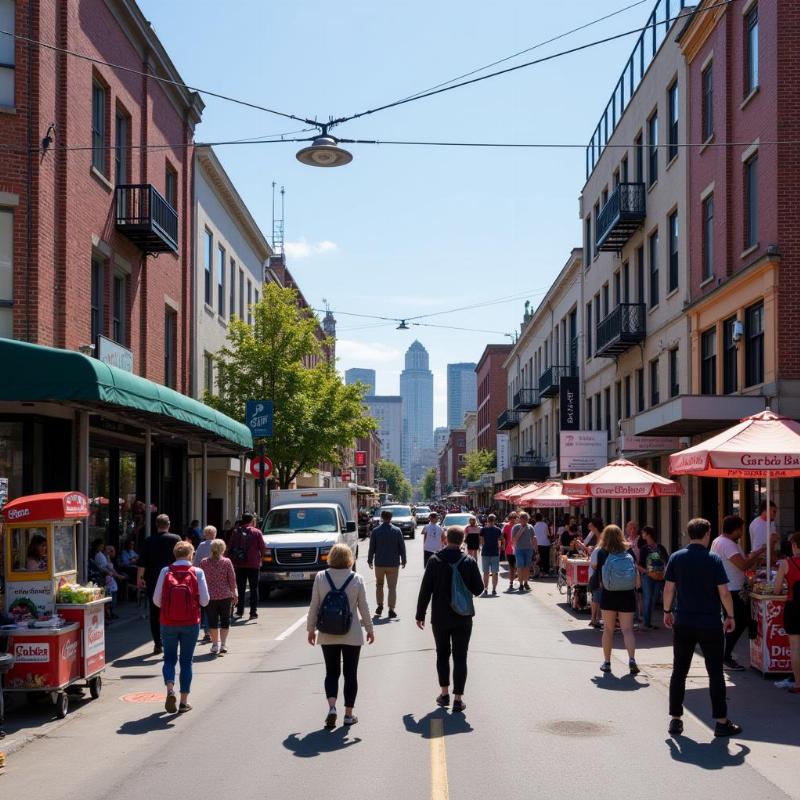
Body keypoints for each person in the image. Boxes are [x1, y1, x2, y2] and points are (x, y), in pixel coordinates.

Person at [663, 518, 741, 738]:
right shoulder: (713, 559)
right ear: (707, 534)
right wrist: (731, 616)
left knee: (679, 671)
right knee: (715, 673)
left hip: (684, 622)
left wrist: (668, 612)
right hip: (709, 624)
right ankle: (721, 721)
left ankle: (676, 719)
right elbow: (724, 593)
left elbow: (669, 589)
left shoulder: (676, 558)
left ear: (689, 534)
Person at [416, 526, 485, 712]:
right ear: (462, 540)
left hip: (440, 617)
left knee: (442, 654)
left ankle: (444, 693)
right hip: (463, 617)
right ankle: (458, 699)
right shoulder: (469, 561)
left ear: (444, 539)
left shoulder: (434, 560)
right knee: (460, 656)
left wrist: (420, 614)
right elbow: (479, 589)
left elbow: (425, 590)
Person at [307, 543, 374, 728]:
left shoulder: (321, 577)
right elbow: (364, 607)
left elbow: (314, 605)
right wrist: (369, 629)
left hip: (327, 633)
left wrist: (310, 629)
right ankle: (349, 714)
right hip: (351, 633)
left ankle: (332, 708)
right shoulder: (356, 578)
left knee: (331, 672)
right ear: (349, 559)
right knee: (350, 674)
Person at [153, 540, 209, 713]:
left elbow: (156, 600)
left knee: (169, 659)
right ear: (191, 554)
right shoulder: (197, 572)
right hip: (190, 623)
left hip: (168, 622)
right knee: (186, 662)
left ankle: (170, 688)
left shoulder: (165, 571)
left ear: (175, 554)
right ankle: (184, 702)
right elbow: (205, 601)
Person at [710, 515, 766, 670]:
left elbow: (742, 564)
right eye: (740, 529)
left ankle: (725, 653)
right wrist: (757, 553)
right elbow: (742, 565)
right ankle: (726, 656)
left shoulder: (720, 541)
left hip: (732, 588)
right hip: (732, 589)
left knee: (736, 621)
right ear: (735, 529)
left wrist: (754, 557)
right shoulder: (727, 544)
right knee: (737, 621)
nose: (742, 531)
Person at [595, 525, 639, 675]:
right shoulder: (629, 551)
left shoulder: (603, 552)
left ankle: (607, 663)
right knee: (627, 630)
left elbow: (600, 576)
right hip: (627, 594)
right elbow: (636, 571)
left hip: (609, 594)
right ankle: (632, 659)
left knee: (608, 629)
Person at [137, 514, 182, 655]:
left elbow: (142, 563)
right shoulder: (176, 539)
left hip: (154, 580)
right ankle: (171, 641)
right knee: (173, 610)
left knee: (155, 612)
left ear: (156, 525)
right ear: (168, 524)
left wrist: (140, 578)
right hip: (173, 579)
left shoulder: (148, 541)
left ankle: (157, 643)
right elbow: (182, 558)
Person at [769, 531, 800, 693]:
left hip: (793, 607)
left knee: (795, 648)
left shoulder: (786, 563)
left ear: (794, 546)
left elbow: (776, 589)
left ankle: (798, 683)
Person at [200, 538, 238, 656]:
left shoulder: (204, 562)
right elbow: (232, 579)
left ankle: (215, 644)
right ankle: (223, 644)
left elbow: (201, 581)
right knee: (225, 621)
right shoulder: (227, 562)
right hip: (225, 595)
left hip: (210, 596)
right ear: (223, 549)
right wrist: (235, 593)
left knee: (212, 622)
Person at [367, 509, 406, 618]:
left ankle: (380, 605)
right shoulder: (397, 530)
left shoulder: (375, 531)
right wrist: (404, 559)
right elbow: (401, 547)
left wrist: (370, 560)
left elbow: (372, 548)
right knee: (392, 587)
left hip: (379, 563)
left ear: (382, 517)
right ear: (391, 518)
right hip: (393, 563)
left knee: (379, 585)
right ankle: (391, 609)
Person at [227, 513, 266, 621]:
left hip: (239, 563)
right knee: (253, 588)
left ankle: (239, 611)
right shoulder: (257, 532)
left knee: (241, 588)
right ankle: (253, 612)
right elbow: (262, 548)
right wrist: (260, 558)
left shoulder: (236, 531)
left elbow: (230, 547)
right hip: (253, 564)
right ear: (251, 520)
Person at [639, 526, 668, 630]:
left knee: (654, 598)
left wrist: (664, 572)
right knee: (648, 598)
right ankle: (647, 623)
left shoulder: (660, 547)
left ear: (648, 534)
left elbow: (666, 561)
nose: (642, 535)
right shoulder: (644, 549)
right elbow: (638, 564)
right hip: (647, 576)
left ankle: (648, 621)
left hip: (659, 576)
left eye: (643, 533)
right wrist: (647, 572)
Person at [194, 526, 218, 643]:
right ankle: (212, 630)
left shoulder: (201, 546)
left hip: (203, 578)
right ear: (214, 534)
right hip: (216, 579)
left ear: (205, 534)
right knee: (214, 606)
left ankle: (206, 631)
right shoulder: (218, 544)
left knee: (204, 605)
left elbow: (196, 563)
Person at [92, 538, 124, 620]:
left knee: (112, 594)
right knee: (109, 595)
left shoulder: (103, 555)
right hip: (105, 577)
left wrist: (115, 574)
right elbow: (103, 567)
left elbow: (108, 566)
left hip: (109, 576)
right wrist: (113, 574)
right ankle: (108, 614)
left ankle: (110, 612)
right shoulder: (98, 555)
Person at [479, 514, 503, 596]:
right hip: (495, 552)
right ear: (495, 521)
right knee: (495, 572)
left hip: (485, 552)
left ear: (487, 520)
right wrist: (499, 550)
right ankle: (494, 589)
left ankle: (485, 589)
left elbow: (481, 542)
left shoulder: (483, 530)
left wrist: (483, 548)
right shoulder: (498, 530)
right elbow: (499, 542)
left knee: (486, 572)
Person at [512, 511, 535, 592]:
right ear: (520, 519)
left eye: (526, 519)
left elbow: (533, 538)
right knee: (520, 567)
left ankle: (526, 582)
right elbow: (514, 540)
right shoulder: (516, 527)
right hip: (519, 550)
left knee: (527, 567)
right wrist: (521, 530)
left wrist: (536, 549)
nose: (525, 521)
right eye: (523, 519)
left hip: (528, 549)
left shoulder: (531, 527)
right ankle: (521, 584)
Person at [502, 512, 518, 591]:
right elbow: (504, 538)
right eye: (513, 517)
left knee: (512, 567)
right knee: (515, 567)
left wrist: (503, 547)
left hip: (509, 549)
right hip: (516, 549)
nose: (513, 519)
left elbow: (503, 538)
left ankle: (511, 583)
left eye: (513, 517)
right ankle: (513, 582)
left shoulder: (506, 526)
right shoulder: (518, 526)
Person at [532, 513, 552, 578]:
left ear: (535, 519)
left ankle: (540, 571)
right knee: (546, 558)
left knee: (539, 558)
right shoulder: (545, 524)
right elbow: (548, 534)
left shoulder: (534, 526)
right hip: (546, 543)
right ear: (542, 518)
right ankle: (545, 571)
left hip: (538, 544)